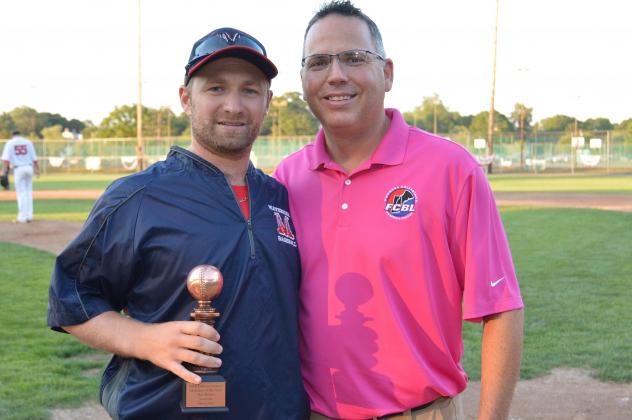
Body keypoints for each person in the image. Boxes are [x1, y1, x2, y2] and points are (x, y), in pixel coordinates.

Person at [273, 2, 524, 419]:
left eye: (354, 57)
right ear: (303, 81)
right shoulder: (286, 178)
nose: (336, 74)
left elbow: (500, 307)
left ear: (387, 73)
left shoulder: (450, 168)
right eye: (318, 62)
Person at [48, 27, 309, 419]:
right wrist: (144, 339)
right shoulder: (137, 197)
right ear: (186, 98)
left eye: (249, 90)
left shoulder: (280, 197)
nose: (234, 105)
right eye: (216, 88)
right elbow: (72, 300)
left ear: (267, 102)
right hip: (165, 408)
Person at [1, 130, 40, 222]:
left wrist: (4, 171)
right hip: (29, 167)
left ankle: (22, 217)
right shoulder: (28, 142)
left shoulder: (10, 143)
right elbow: (34, 159)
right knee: (28, 192)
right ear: (20, 135)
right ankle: (29, 216)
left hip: (18, 169)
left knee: (21, 193)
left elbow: (6, 160)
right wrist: (37, 170)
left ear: (12, 135)